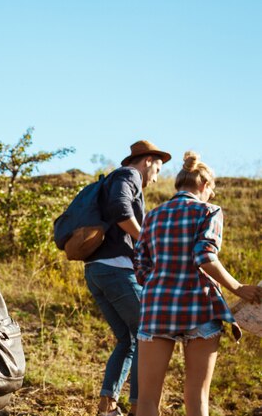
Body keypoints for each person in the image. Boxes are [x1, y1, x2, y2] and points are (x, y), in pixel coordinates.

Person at [133, 151, 262, 416]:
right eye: (211, 189)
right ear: (203, 185)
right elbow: (204, 257)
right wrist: (238, 288)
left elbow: (140, 265)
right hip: (199, 308)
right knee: (196, 398)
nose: (212, 195)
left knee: (146, 400)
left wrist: (160, 283)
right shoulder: (209, 211)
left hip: (157, 308)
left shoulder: (153, 215)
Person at [84, 140, 171, 416]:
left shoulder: (115, 178)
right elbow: (121, 209)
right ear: (146, 161)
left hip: (96, 271)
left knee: (128, 340)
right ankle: (139, 408)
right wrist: (148, 240)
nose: (157, 176)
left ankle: (107, 408)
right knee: (146, 335)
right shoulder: (129, 175)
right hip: (117, 270)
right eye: (158, 167)